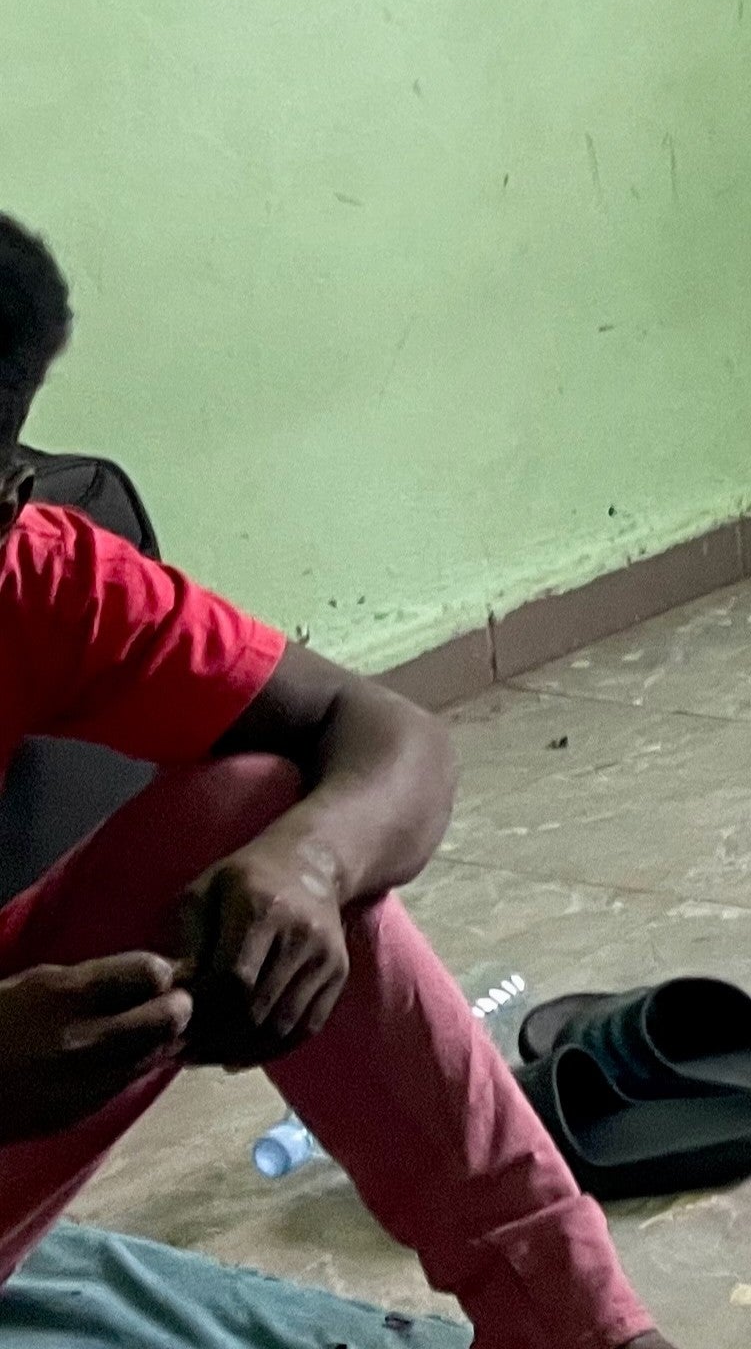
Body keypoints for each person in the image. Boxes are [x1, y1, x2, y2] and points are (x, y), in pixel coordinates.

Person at [0, 215, 666, 1349]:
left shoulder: (35, 572)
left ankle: (579, 1334)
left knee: (259, 801)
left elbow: (388, 735)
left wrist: (306, 869)